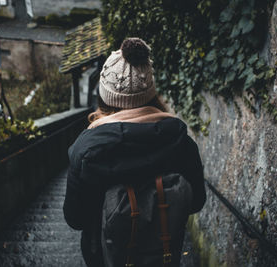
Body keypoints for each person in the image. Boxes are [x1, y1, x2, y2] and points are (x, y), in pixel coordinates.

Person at [63, 37, 206, 267]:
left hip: (105, 257)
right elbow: (196, 202)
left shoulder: (85, 151)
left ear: (105, 96)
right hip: (163, 254)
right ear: (150, 93)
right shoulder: (182, 143)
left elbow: (75, 219)